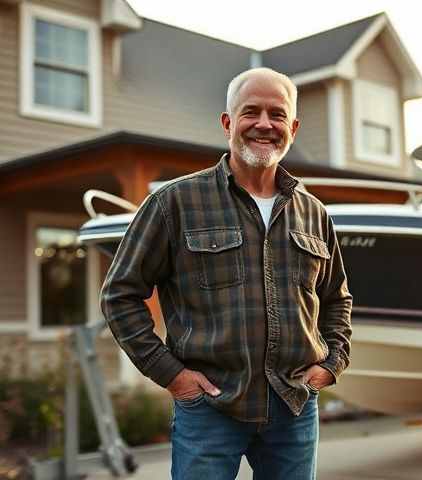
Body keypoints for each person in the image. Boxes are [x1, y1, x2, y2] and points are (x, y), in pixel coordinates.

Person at [100, 67, 353, 479]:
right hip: (209, 409)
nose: (264, 124)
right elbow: (119, 294)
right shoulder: (175, 203)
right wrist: (172, 375)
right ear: (227, 123)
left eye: (277, 114)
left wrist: (332, 362)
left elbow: (336, 297)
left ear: (293, 126)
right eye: (251, 111)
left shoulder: (314, 212)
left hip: (293, 407)